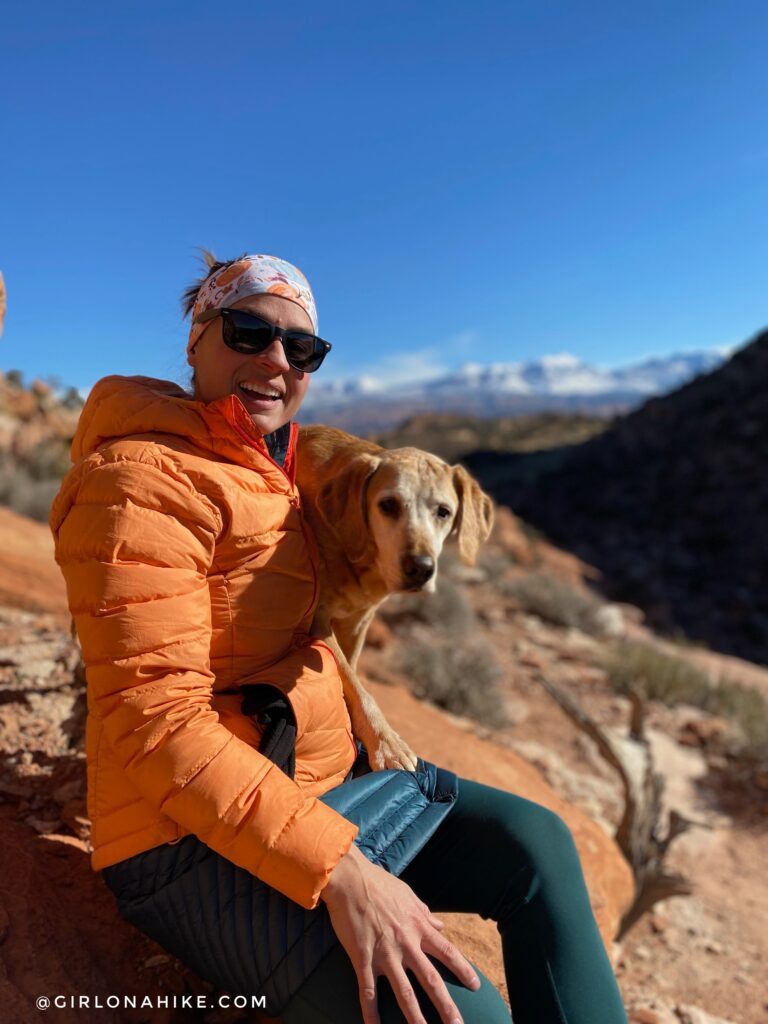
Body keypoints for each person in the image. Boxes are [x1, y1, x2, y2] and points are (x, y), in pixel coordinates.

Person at [50, 252, 629, 1024]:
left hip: (310, 790)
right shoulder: (138, 484)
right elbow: (156, 731)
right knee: (462, 1014)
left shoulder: (281, 465)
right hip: (185, 846)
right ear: (196, 339)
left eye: (302, 349)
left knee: (537, 845)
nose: (275, 362)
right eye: (248, 332)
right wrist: (345, 871)